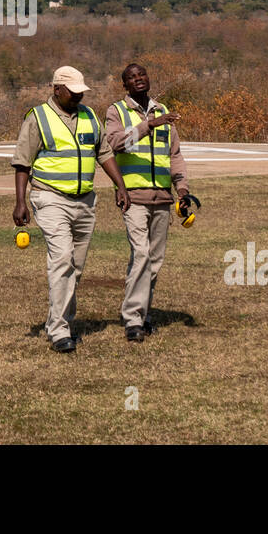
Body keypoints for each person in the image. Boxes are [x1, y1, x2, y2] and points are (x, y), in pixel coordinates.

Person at [11, 66, 129, 353]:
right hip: (50, 198)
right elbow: (23, 162)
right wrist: (20, 201)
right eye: (73, 92)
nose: (78, 96)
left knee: (75, 268)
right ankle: (59, 330)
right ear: (56, 89)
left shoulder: (89, 116)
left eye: (81, 92)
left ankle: (62, 320)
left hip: (85, 201)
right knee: (62, 259)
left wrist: (120, 186)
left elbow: (103, 153)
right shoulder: (38, 117)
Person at [103, 63, 191, 342]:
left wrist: (183, 189)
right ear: (125, 85)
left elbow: (174, 154)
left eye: (141, 74)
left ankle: (143, 315)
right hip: (134, 197)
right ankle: (132, 320)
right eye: (131, 77)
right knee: (141, 254)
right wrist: (146, 126)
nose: (138, 79)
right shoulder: (117, 111)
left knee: (154, 260)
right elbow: (114, 143)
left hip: (163, 198)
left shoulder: (163, 111)